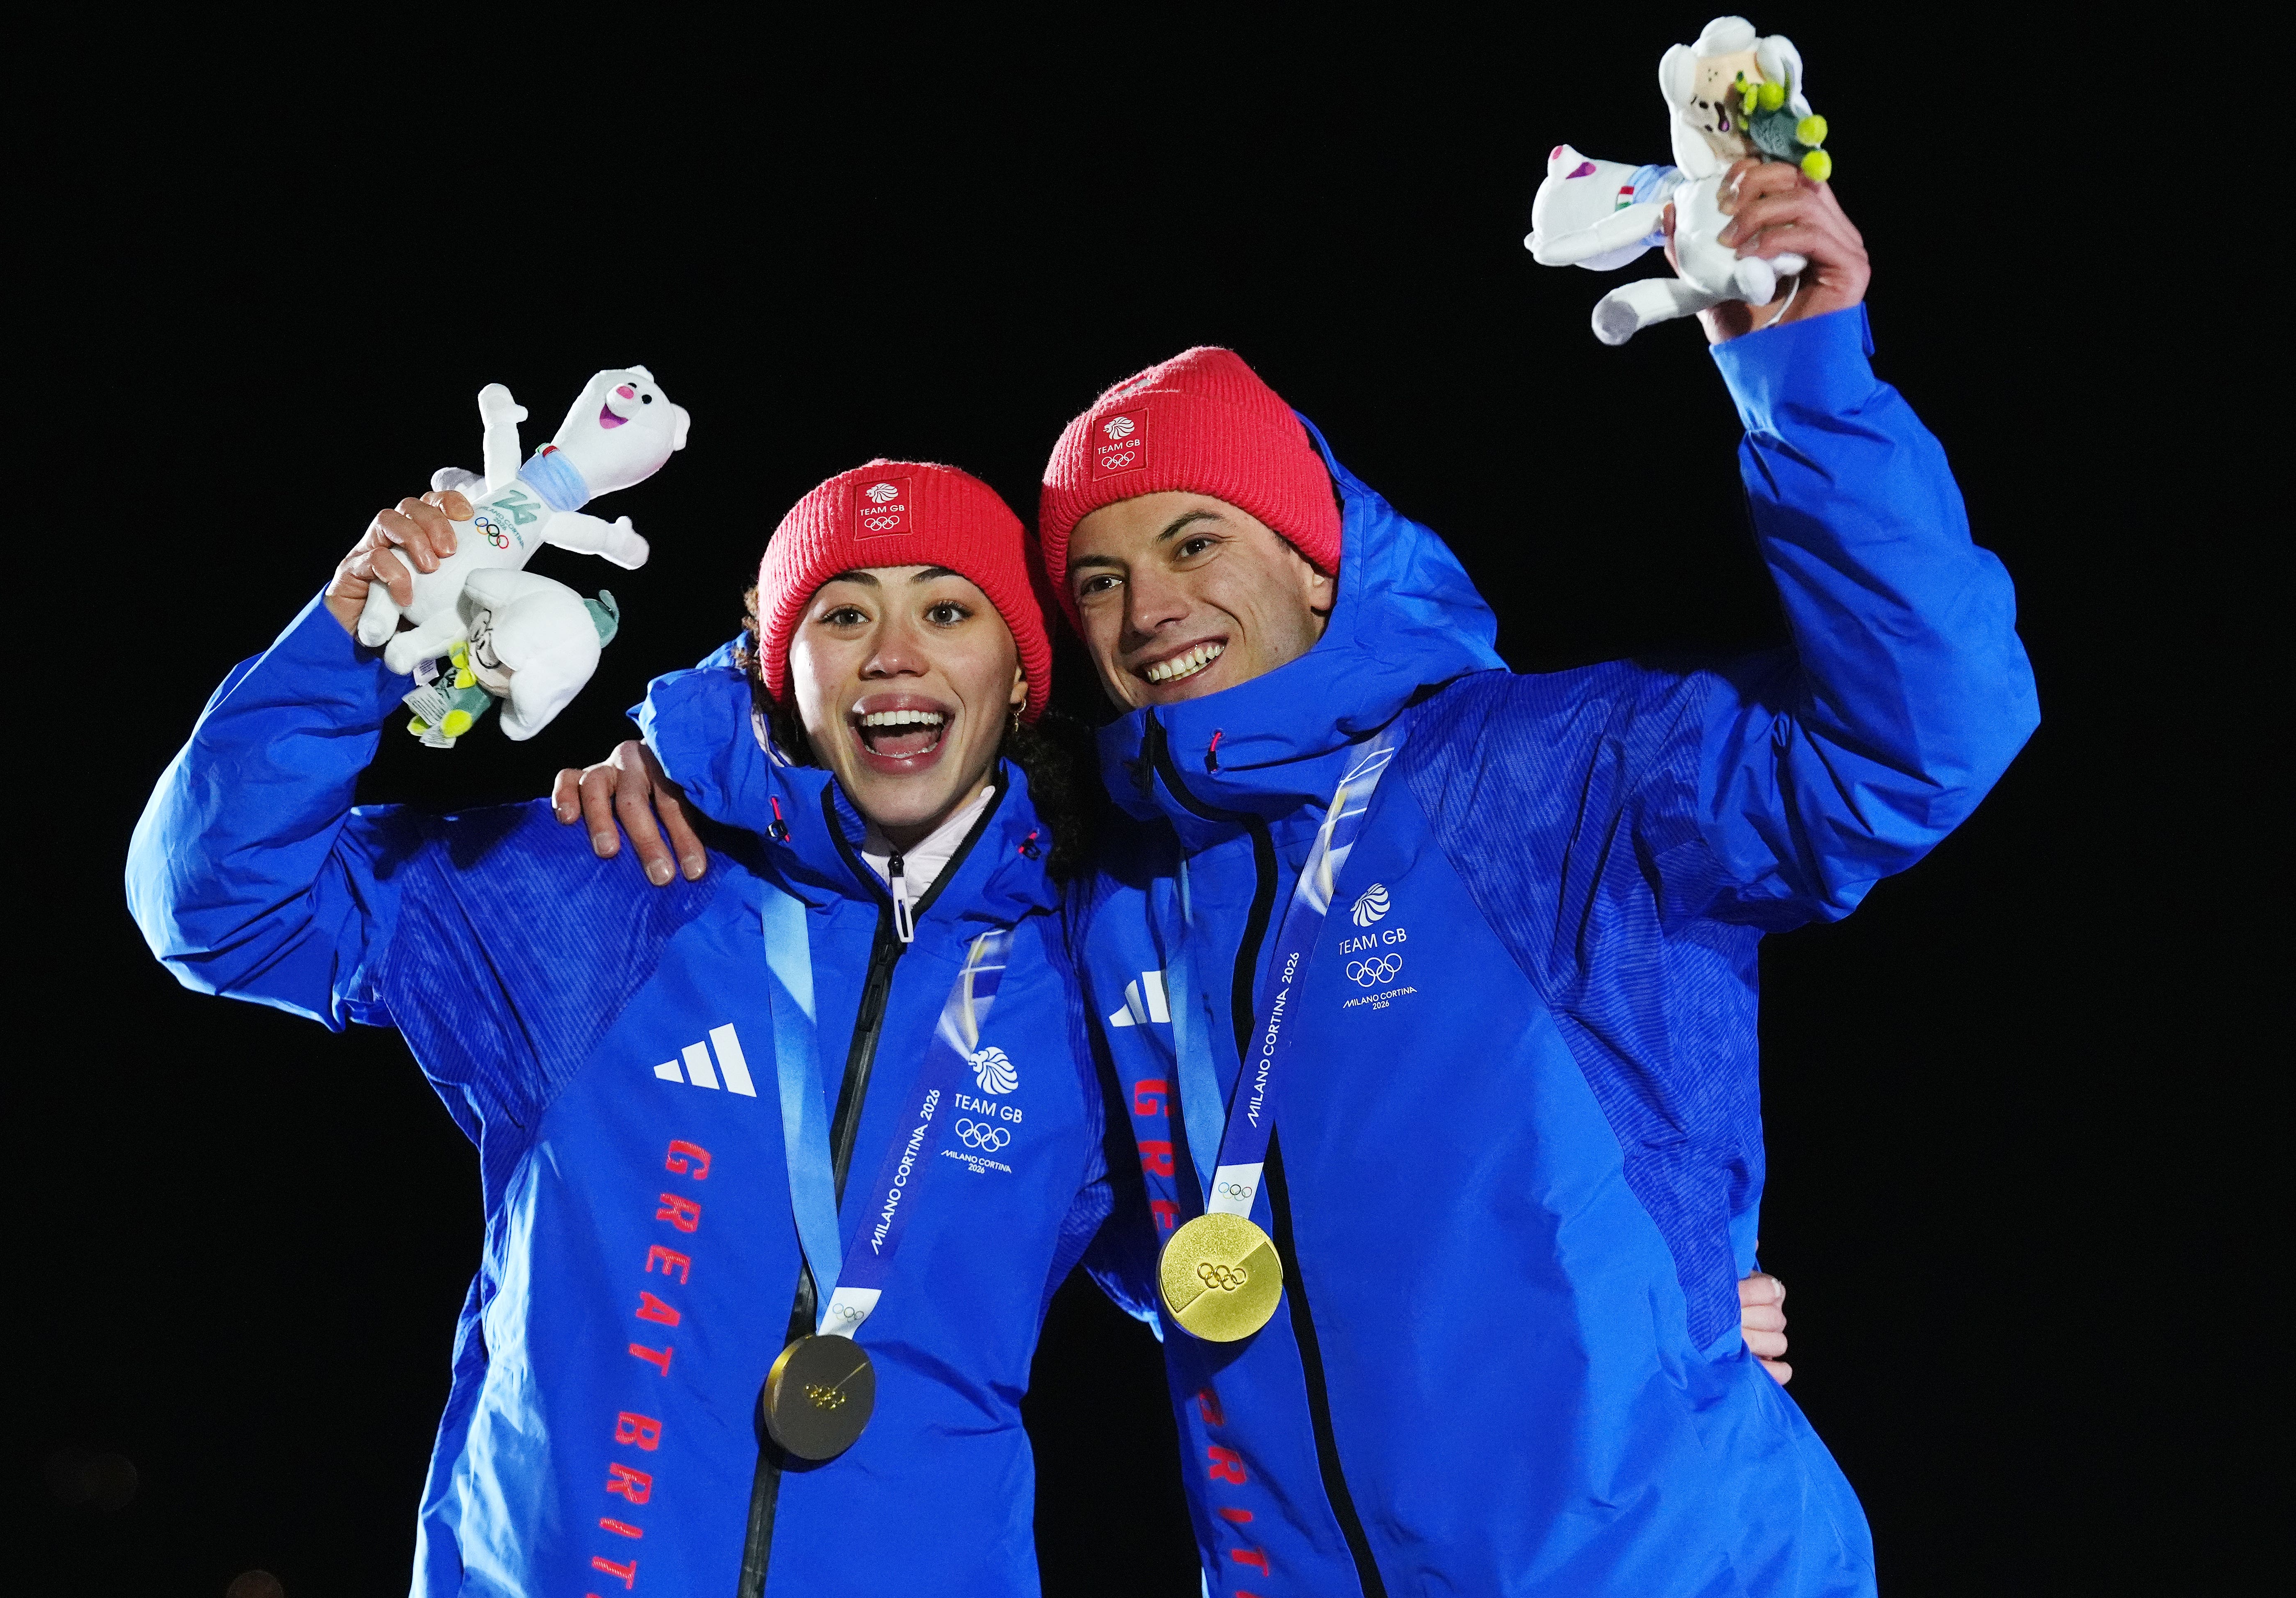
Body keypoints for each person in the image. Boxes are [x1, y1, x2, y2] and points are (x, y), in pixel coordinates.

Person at [563, 158, 2032, 1593]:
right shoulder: (1109, 885)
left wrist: (1809, 385)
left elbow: (1923, 734)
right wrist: (686, 742)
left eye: (1193, 541)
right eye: (1099, 579)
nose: (1149, 610)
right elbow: (1117, 1210)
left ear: (1314, 563)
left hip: (1649, 1556)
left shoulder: (1547, 769)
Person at [127, 460, 1126, 1597]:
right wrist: (350, 645)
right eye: (844, 614)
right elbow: (223, 909)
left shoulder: (1092, 965)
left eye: (946, 610)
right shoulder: (610, 882)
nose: (893, 653)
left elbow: (1203, 1263)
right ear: (776, 665)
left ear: (1017, 675)